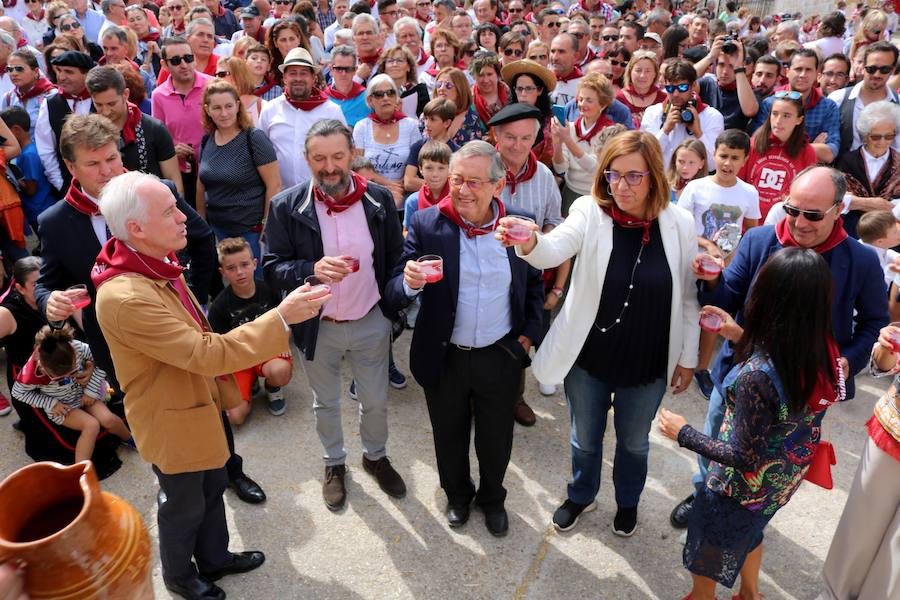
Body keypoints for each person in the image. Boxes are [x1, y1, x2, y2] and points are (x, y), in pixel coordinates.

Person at [93, 170, 327, 600]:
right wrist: (279, 318)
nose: (184, 217)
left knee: (213, 486)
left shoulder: (153, 261)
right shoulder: (127, 295)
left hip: (196, 404)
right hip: (171, 418)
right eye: (170, 211)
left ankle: (215, 559)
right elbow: (204, 351)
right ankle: (180, 577)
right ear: (136, 228)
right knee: (183, 504)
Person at [668, 167, 887, 531]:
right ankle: (704, 492)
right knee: (717, 442)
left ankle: (754, 513)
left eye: (812, 215)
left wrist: (847, 360)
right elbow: (728, 297)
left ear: (838, 210)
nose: (800, 223)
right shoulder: (759, 241)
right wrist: (712, 281)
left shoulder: (860, 260)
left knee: (775, 459)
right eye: (792, 210)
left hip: (805, 389)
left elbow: (873, 323)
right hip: (740, 378)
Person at [503, 130, 699, 536]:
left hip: (647, 361)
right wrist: (530, 242)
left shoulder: (679, 222)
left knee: (633, 444)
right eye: (613, 175)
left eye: (633, 177)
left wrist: (688, 358)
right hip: (590, 356)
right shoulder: (590, 212)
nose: (621, 186)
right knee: (584, 438)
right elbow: (554, 248)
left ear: (655, 178)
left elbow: (688, 300)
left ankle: (627, 502)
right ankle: (581, 494)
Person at [659, 247, 845, 600]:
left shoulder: (756, 378)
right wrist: (738, 335)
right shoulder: (822, 348)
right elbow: (786, 369)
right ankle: (750, 593)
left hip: (736, 490)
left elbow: (744, 456)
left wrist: (682, 433)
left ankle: (702, 597)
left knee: (709, 547)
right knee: (750, 533)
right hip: (780, 481)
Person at [384, 140, 544, 536]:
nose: (462, 189)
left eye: (474, 181)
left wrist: (527, 337)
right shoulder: (426, 224)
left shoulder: (517, 225)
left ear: (498, 185)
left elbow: (535, 282)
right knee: (448, 434)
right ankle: (457, 495)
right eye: (457, 179)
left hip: (499, 354)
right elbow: (391, 290)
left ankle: (493, 499)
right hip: (445, 355)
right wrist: (408, 284)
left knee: (496, 438)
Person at [262, 119, 407, 512]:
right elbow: (272, 267)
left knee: (375, 401)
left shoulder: (378, 201)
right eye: (319, 158)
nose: (329, 167)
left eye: (338, 156)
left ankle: (374, 456)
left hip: (368, 321)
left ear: (353, 155)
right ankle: (334, 463)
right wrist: (311, 268)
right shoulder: (285, 207)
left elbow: (396, 259)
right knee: (324, 403)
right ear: (306, 159)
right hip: (317, 326)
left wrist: (394, 310)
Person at [490, 102, 567, 413]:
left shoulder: (544, 175)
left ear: (535, 139)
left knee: (521, 335)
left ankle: (515, 396)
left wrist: (541, 239)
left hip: (526, 273)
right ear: (496, 136)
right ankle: (476, 399)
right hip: (487, 267)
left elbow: (555, 220)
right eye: (510, 137)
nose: (517, 145)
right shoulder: (483, 166)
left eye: (525, 138)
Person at [818, 322, 900, 600]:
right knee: (858, 531)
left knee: (895, 564)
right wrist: (887, 349)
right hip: (893, 429)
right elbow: (882, 362)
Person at [677, 130, 759, 399]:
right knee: (684, 307)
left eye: (735, 158)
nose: (727, 163)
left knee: (715, 313)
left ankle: (702, 368)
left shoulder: (749, 192)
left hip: (727, 265)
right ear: (713, 155)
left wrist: (734, 256)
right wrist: (708, 246)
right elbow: (682, 226)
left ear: (745, 159)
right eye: (723, 156)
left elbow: (750, 230)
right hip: (693, 259)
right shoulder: (696, 187)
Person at [13, 324, 134, 462]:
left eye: (72, 371)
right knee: (91, 426)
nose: (68, 377)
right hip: (62, 407)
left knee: (108, 419)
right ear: (42, 366)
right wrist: (51, 403)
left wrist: (90, 391)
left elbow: (102, 362)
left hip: (85, 395)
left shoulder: (77, 347)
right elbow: (18, 393)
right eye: (59, 377)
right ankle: (80, 471)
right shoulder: (31, 372)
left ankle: (130, 439)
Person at [197, 80, 280, 275]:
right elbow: (201, 183)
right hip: (218, 230)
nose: (224, 113)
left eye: (228, 106)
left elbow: (274, 185)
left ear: (237, 105)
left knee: (255, 287)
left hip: (250, 231)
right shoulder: (207, 138)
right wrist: (202, 222)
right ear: (208, 110)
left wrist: (266, 229)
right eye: (217, 108)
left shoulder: (254, 138)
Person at [208, 237, 293, 422]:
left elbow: (285, 321)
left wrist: (283, 341)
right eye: (231, 268)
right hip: (239, 359)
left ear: (255, 264)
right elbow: (218, 346)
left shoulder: (269, 290)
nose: (240, 272)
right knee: (235, 417)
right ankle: (249, 385)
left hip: (268, 351)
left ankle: (273, 387)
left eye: (245, 264)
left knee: (280, 371)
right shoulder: (219, 306)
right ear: (222, 272)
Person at [258, 47, 346, 189]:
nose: (298, 78)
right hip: (281, 196)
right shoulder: (270, 110)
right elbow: (262, 153)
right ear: (284, 78)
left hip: (323, 195)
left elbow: (343, 152)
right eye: (293, 73)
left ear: (313, 78)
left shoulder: (332, 112)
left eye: (304, 73)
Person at [86, 66, 184, 194]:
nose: (106, 111)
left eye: (111, 104)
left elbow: (175, 182)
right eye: (98, 105)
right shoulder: (88, 134)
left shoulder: (154, 129)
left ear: (125, 94)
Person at [151, 36, 213, 209]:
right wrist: (173, 149)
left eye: (188, 58)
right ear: (164, 65)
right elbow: (159, 136)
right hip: (180, 173)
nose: (184, 65)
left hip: (214, 169)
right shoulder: (158, 95)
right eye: (176, 61)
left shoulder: (212, 85)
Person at [749, 49, 841, 164]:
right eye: (798, 69)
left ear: (817, 75)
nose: (802, 75)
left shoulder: (828, 107)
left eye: (808, 70)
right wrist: (809, 147)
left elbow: (830, 152)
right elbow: (758, 143)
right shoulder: (770, 103)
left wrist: (779, 144)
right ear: (787, 72)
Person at [738, 91, 816, 221]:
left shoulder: (807, 152)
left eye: (786, 116)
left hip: (783, 224)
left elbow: (807, 195)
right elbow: (738, 183)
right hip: (748, 220)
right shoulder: (754, 143)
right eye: (775, 114)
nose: (778, 121)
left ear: (799, 120)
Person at [352, 74, 422, 209]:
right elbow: (358, 167)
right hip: (371, 194)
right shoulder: (361, 127)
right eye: (379, 94)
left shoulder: (411, 125)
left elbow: (418, 164)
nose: (385, 98)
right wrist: (387, 185)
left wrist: (400, 186)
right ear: (370, 100)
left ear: (396, 98)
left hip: (404, 195)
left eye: (390, 93)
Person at [640, 58, 724, 170]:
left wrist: (698, 133)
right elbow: (645, 157)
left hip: (695, 185)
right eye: (670, 88)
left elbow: (712, 165)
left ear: (693, 85)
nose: (675, 94)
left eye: (682, 88)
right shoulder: (653, 112)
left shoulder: (712, 116)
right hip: (663, 183)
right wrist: (665, 131)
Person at [552, 72, 617, 215]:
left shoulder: (610, 131)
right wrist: (557, 143)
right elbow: (560, 168)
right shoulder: (569, 128)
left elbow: (595, 168)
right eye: (580, 99)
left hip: (596, 195)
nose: (582, 104)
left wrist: (568, 140)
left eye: (589, 100)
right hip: (570, 192)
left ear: (603, 104)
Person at [837, 100, 900, 239]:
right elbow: (840, 198)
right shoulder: (847, 161)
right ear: (865, 136)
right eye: (876, 137)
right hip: (852, 229)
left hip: (890, 231)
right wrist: (874, 204)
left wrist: (857, 203)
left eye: (889, 136)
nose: (883, 142)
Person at [828, 41, 900, 157]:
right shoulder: (838, 99)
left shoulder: (898, 103)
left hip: (884, 173)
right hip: (841, 171)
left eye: (884, 69)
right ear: (863, 67)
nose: (877, 74)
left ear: (892, 70)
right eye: (871, 69)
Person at [2, 108, 53, 236]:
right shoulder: (29, 149)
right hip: (39, 211)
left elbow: (31, 189)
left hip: (41, 210)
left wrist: (12, 179)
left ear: (15, 130)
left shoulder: (29, 155)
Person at [501, 58, 557, 167]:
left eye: (529, 89)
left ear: (540, 90)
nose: (523, 93)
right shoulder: (505, 117)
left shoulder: (551, 121)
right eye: (519, 88)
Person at [403, 97, 459, 192]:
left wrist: (420, 181)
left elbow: (456, 185)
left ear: (447, 123)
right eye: (426, 119)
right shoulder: (418, 147)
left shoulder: (457, 153)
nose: (427, 124)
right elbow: (409, 183)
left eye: (432, 120)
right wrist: (443, 185)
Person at [0, 50, 55, 139]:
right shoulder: (8, 98)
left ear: (36, 72)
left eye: (19, 69)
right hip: (18, 152)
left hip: (46, 151)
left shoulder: (51, 95)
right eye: (9, 69)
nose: (13, 73)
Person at [402, 140, 450, 234]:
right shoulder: (413, 201)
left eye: (441, 168)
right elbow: (406, 232)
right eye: (429, 168)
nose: (435, 174)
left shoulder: (458, 198)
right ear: (420, 169)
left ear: (450, 169)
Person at [433, 66, 487, 145]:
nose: (441, 88)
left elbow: (474, 152)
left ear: (459, 90)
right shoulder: (427, 115)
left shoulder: (472, 118)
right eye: (439, 84)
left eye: (448, 85)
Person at [616, 50, 666, 129]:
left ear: (655, 74)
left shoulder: (664, 99)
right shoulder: (619, 99)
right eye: (638, 70)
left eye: (648, 71)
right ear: (630, 72)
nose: (642, 75)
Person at [376, 45, 428, 118]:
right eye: (390, 61)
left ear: (408, 67)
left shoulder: (420, 91)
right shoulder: (377, 93)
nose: (395, 64)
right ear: (384, 68)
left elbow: (425, 121)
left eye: (399, 60)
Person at [856, 210, 900, 286]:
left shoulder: (872, 244)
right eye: (895, 232)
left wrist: (896, 257)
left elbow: (887, 252)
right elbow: (881, 287)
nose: (899, 232)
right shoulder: (869, 261)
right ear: (880, 241)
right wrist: (891, 270)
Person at [469, 51, 508, 126]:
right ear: (474, 76)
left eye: (489, 74)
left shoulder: (510, 93)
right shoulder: (469, 99)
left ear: (498, 74)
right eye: (481, 75)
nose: (485, 80)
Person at [549, 33, 583, 106]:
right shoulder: (543, 80)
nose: (555, 58)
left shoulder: (584, 85)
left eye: (561, 52)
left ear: (576, 56)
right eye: (552, 51)